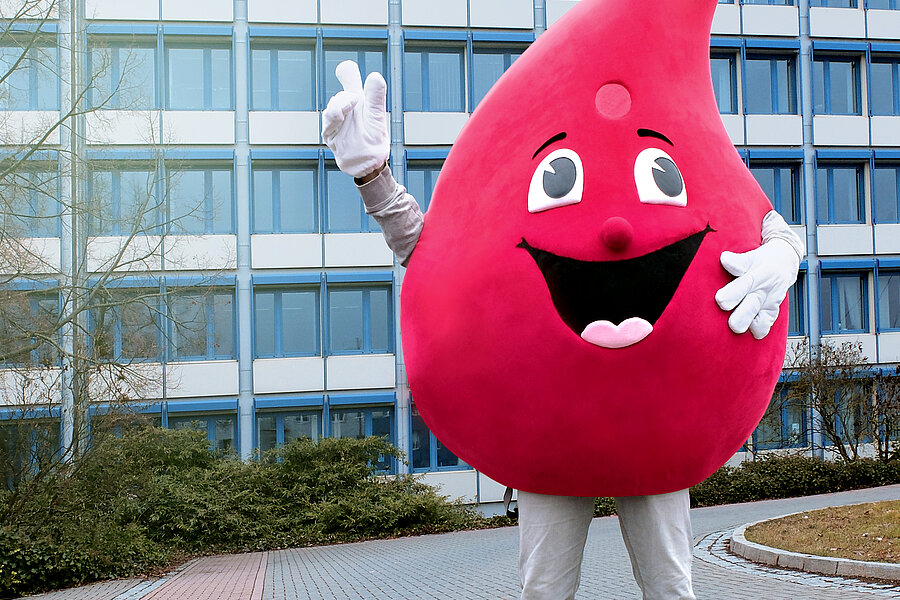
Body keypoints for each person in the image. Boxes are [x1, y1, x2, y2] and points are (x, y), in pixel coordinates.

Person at [322, 60, 804, 600]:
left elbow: (747, 209)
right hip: (551, 438)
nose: (615, 229)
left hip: (655, 437)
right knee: (545, 592)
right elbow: (437, 259)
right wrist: (371, 176)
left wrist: (786, 249)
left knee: (672, 589)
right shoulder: (519, 174)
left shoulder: (679, 134)